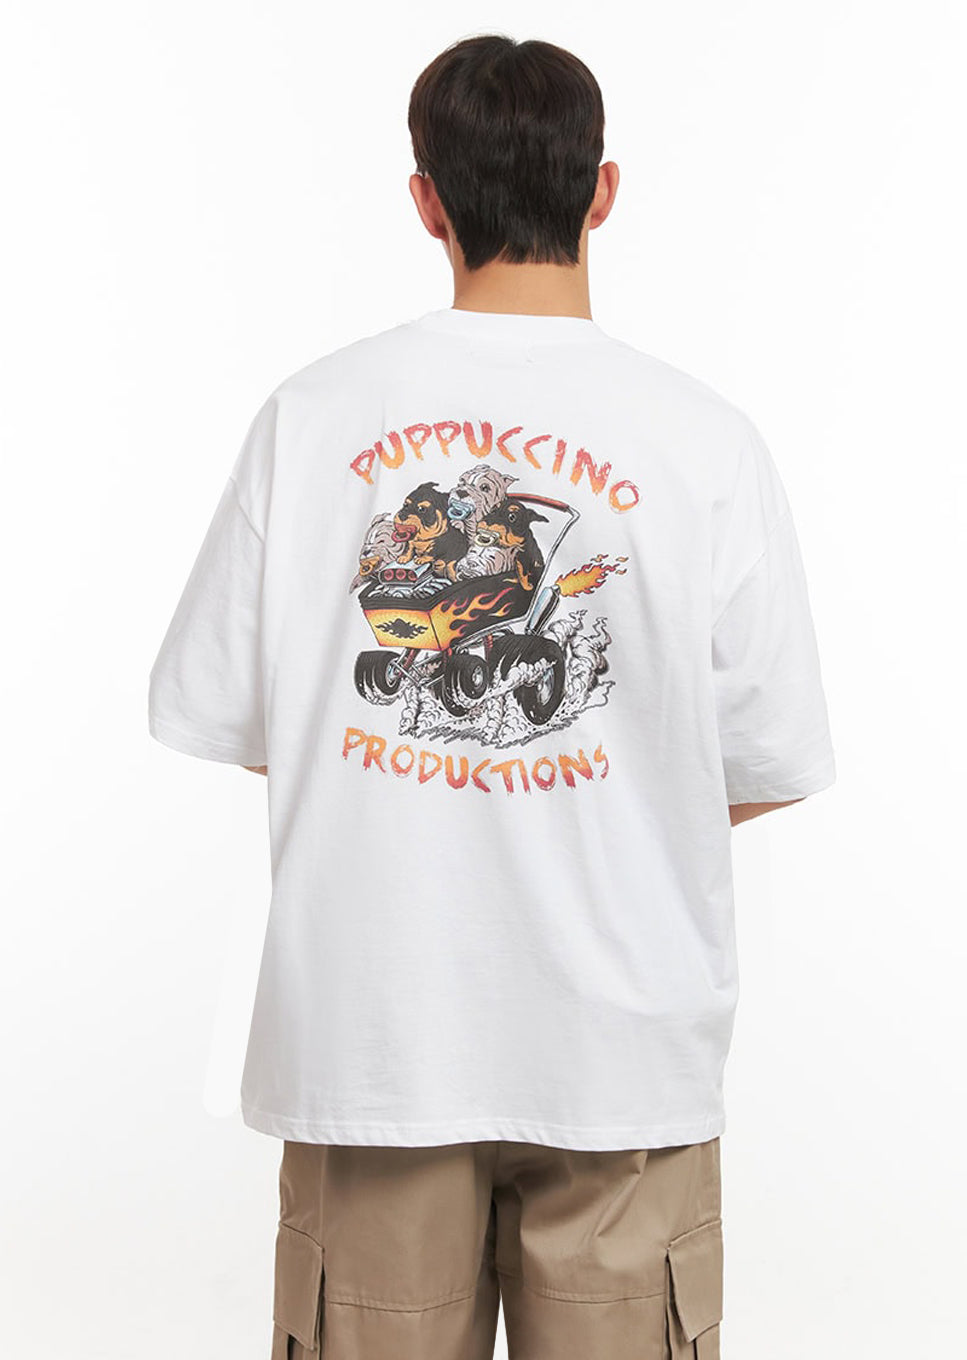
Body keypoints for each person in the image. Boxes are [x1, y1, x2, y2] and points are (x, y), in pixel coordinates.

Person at [147, 32, 835, 1360]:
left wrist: (427, 786)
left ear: (426, 199)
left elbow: (253, 726)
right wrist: (592, 793)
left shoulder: (312, 417)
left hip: (375, 1042)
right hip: (625, 1052)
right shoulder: (705, 441)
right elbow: (758, 766)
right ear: (603, 191)